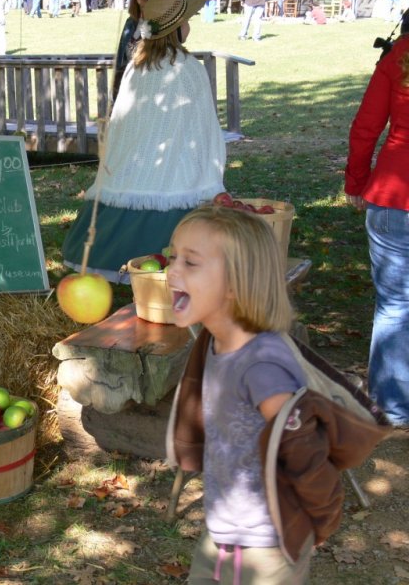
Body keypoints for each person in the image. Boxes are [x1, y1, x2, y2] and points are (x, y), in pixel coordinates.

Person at [165, 205, 389, 585]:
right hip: (223, 535)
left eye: (190, 263)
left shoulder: (262, 369)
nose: (171, 271)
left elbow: (304, 451)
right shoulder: (215, 342)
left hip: (267, 547)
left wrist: (320, 521)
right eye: (173, 257)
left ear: (236, 284)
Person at [62, 0, 225, 283]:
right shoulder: (189, 70)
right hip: (173, 171)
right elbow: (204, 130)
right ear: (177, 29)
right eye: (187, 20)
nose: (190, 25)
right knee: (178, 177)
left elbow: (124, 124)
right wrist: (211, 173)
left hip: (131, 169)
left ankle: (109, 259)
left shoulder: (136, 68)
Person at [344, 16, 409, 428]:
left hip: (393, 194)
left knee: (396, 303)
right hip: (392, 195)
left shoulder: (397, 56)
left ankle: (392, 405)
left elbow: (366, 127)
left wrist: (356, 180)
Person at [111, 0, 161, 102]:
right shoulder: (130, 23)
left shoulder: (163, 23)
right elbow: (121, 59)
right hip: (129, 91)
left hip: (154, 93)